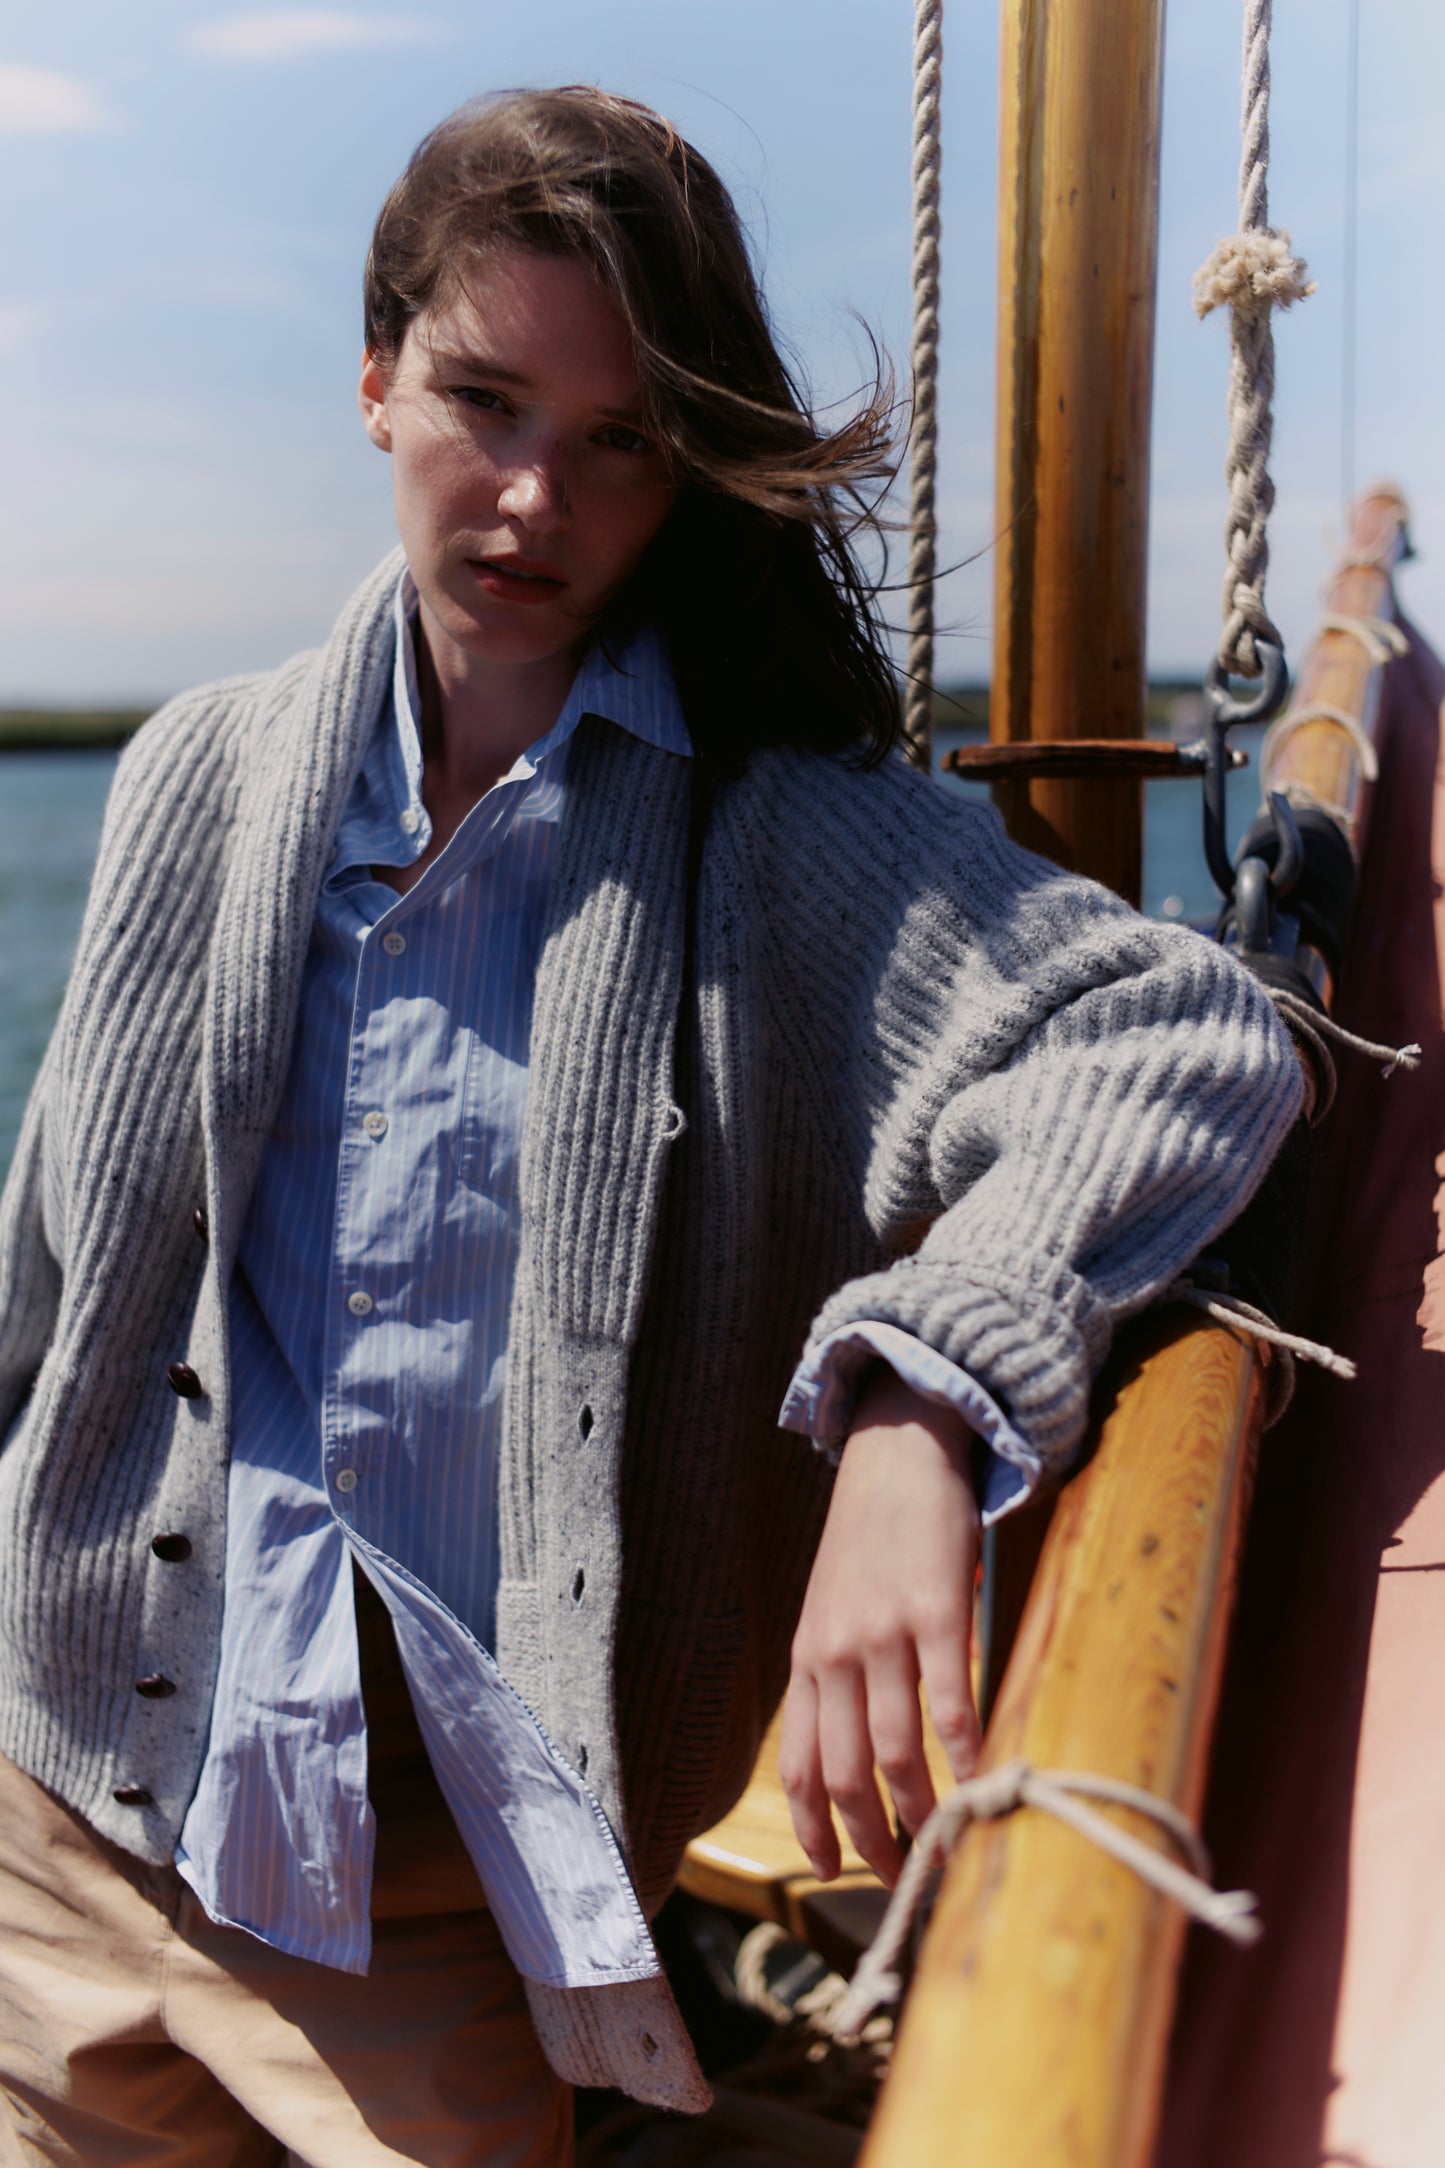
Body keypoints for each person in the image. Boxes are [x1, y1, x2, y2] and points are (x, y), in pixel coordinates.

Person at [0, 86, 1302, 2168]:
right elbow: (49, 1292)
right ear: (372, 380)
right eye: (483, 400)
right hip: (53, 1816)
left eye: (614, 439)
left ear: (685, 464)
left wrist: (917, 1399)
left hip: (415, 1916)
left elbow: (1180, 1034)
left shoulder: (773, 834)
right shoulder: (204, 776)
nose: (531, 496)